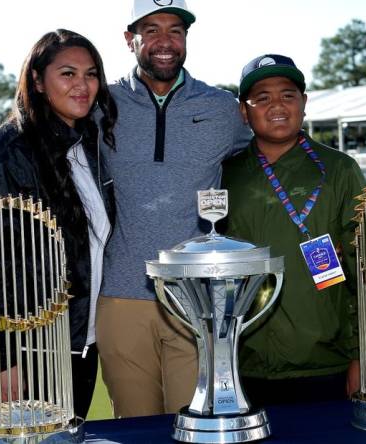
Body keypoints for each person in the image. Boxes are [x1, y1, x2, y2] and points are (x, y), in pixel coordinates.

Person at [96, 0, 251, 418]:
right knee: (135, 426)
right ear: (130, 39)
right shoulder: (101, 104)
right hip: (120, 294)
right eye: (151, 29)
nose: (165, 42)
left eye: (176, 30)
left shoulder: (222, 107)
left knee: (195, 423)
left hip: (197, 297)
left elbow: (270, 148)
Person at [0, 29, 117, 419]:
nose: (82, 85)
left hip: (75, 344)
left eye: (91, 74)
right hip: (20, 352)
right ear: (38, 82)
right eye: (68, 74)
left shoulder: (87, 145)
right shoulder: (2, 157)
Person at [221, 54, 364, 406]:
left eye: (287, 95)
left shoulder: (340, 170)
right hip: (242, 366)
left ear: (304, 102)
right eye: (262, 98)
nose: (277, 106)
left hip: (325, 365)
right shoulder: (225, 173)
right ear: (244, 111)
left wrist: (365, 356)